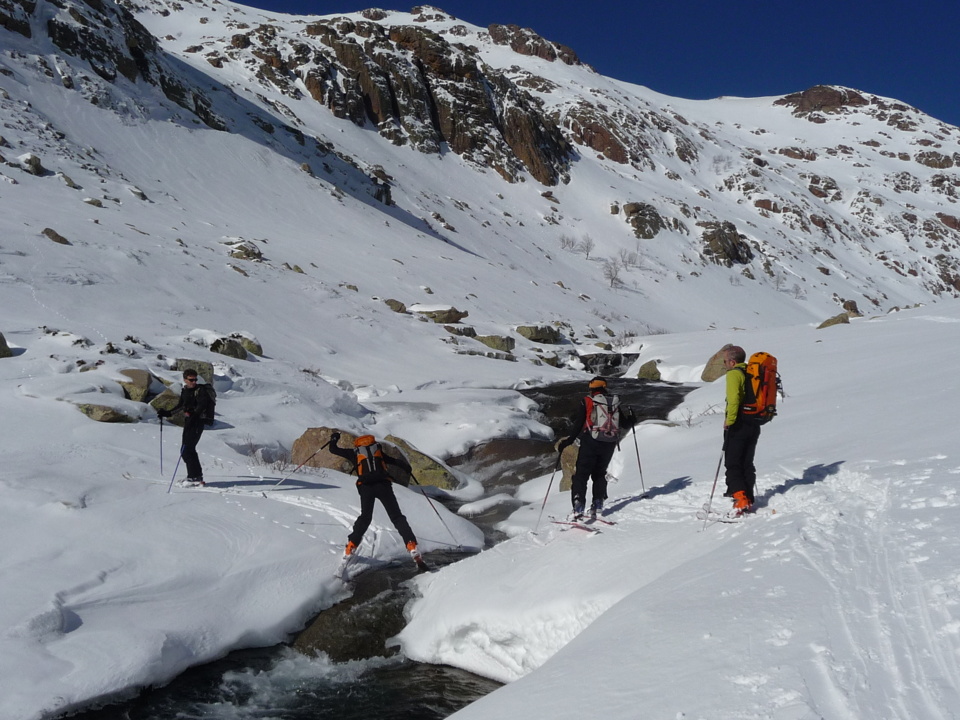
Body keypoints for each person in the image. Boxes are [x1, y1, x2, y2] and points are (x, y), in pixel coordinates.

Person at [328, 432, 424, 566]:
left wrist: (334, 439)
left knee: (365, 518)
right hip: (383, 485)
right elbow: (396, 461)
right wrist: (406, 468)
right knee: (397, 517)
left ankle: (351, 547)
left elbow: (333, 449)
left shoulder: (354, 453)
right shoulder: (378, 452)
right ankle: (411, 546)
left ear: (358, 445)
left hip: (366, 487)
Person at [555, 377, 632, 519]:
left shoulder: (587, 400)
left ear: (591, 388)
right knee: (599, 473)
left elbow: (578, 424)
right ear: (604, 387)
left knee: (581, 475)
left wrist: (568, 441)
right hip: (609, 442)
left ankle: (578, 506)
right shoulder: (613, 402)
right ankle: (598, 504)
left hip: (591, 441)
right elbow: (626, 424)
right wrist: (633, 417)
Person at [157, 369, 215, 487]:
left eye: (195, 379)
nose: (194, 382)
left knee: (187, 450)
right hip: (189, 422)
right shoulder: (185, 391)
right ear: (185, 379)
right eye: (191, 380)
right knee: (188, 449)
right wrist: (167, 413)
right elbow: (181, 405)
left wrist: (193, 415)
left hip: (197, 422)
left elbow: (201, 406)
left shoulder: (201, 391)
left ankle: (193, 477)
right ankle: (196, 476)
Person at [722, 346, 762, 515]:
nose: (725, 364)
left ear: (732, 361)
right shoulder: (753, 373)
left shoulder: (734, 374)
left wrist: (729, 421)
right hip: (754, 422)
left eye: (725, 361)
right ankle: (748, 497)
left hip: (739, 423)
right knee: (746, 461)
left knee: (732, 462)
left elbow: (733, 400)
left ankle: (740, 498)